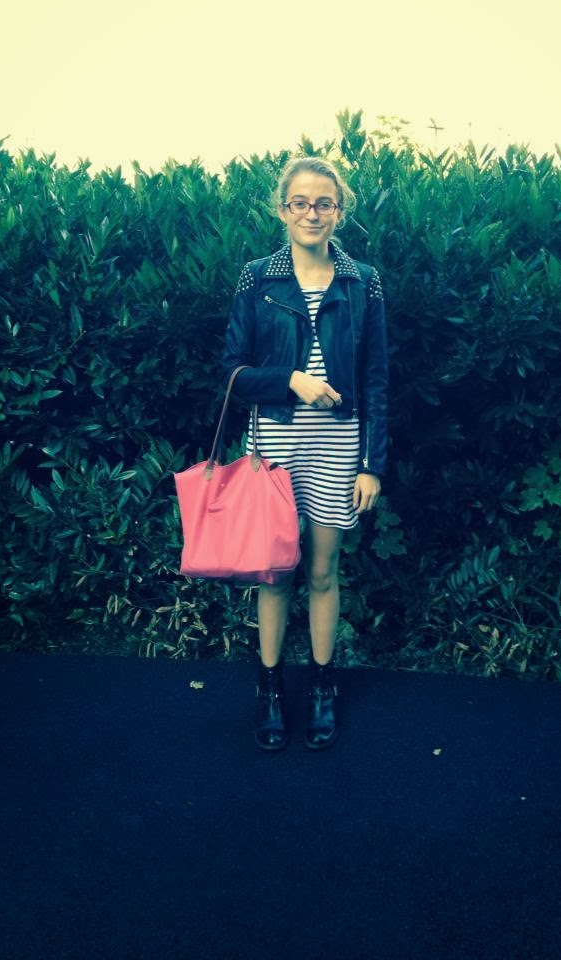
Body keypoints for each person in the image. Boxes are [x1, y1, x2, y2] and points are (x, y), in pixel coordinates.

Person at [221, 156, 388, 751]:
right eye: (300, 202)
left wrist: (372, 463)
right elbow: (232, 372)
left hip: (338, 446)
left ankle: (321, 685)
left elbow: (376, 378)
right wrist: (290, 380)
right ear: (282, 209)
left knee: (322, 571)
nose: (311, 213)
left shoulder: (362, 280)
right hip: (273, 445)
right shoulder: (257, 278)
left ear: (339, 211)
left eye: (324, 203)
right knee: (273, 573)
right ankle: (269, 688)